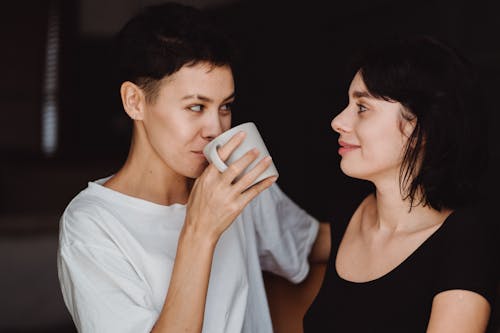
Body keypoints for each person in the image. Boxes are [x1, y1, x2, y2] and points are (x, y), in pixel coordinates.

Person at [56, 2, 325, 332]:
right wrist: (200, 230)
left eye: (225, 106)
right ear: (134, 102)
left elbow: (311, 244)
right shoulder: (92, 225)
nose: (216, 128)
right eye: (196, 106)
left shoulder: (233, 182)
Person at [303, 35, 499, 332]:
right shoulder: (349, 214)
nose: (338, 121)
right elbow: (284, 241)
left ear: (421, 129)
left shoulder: (464, 242)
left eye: (362, 108)